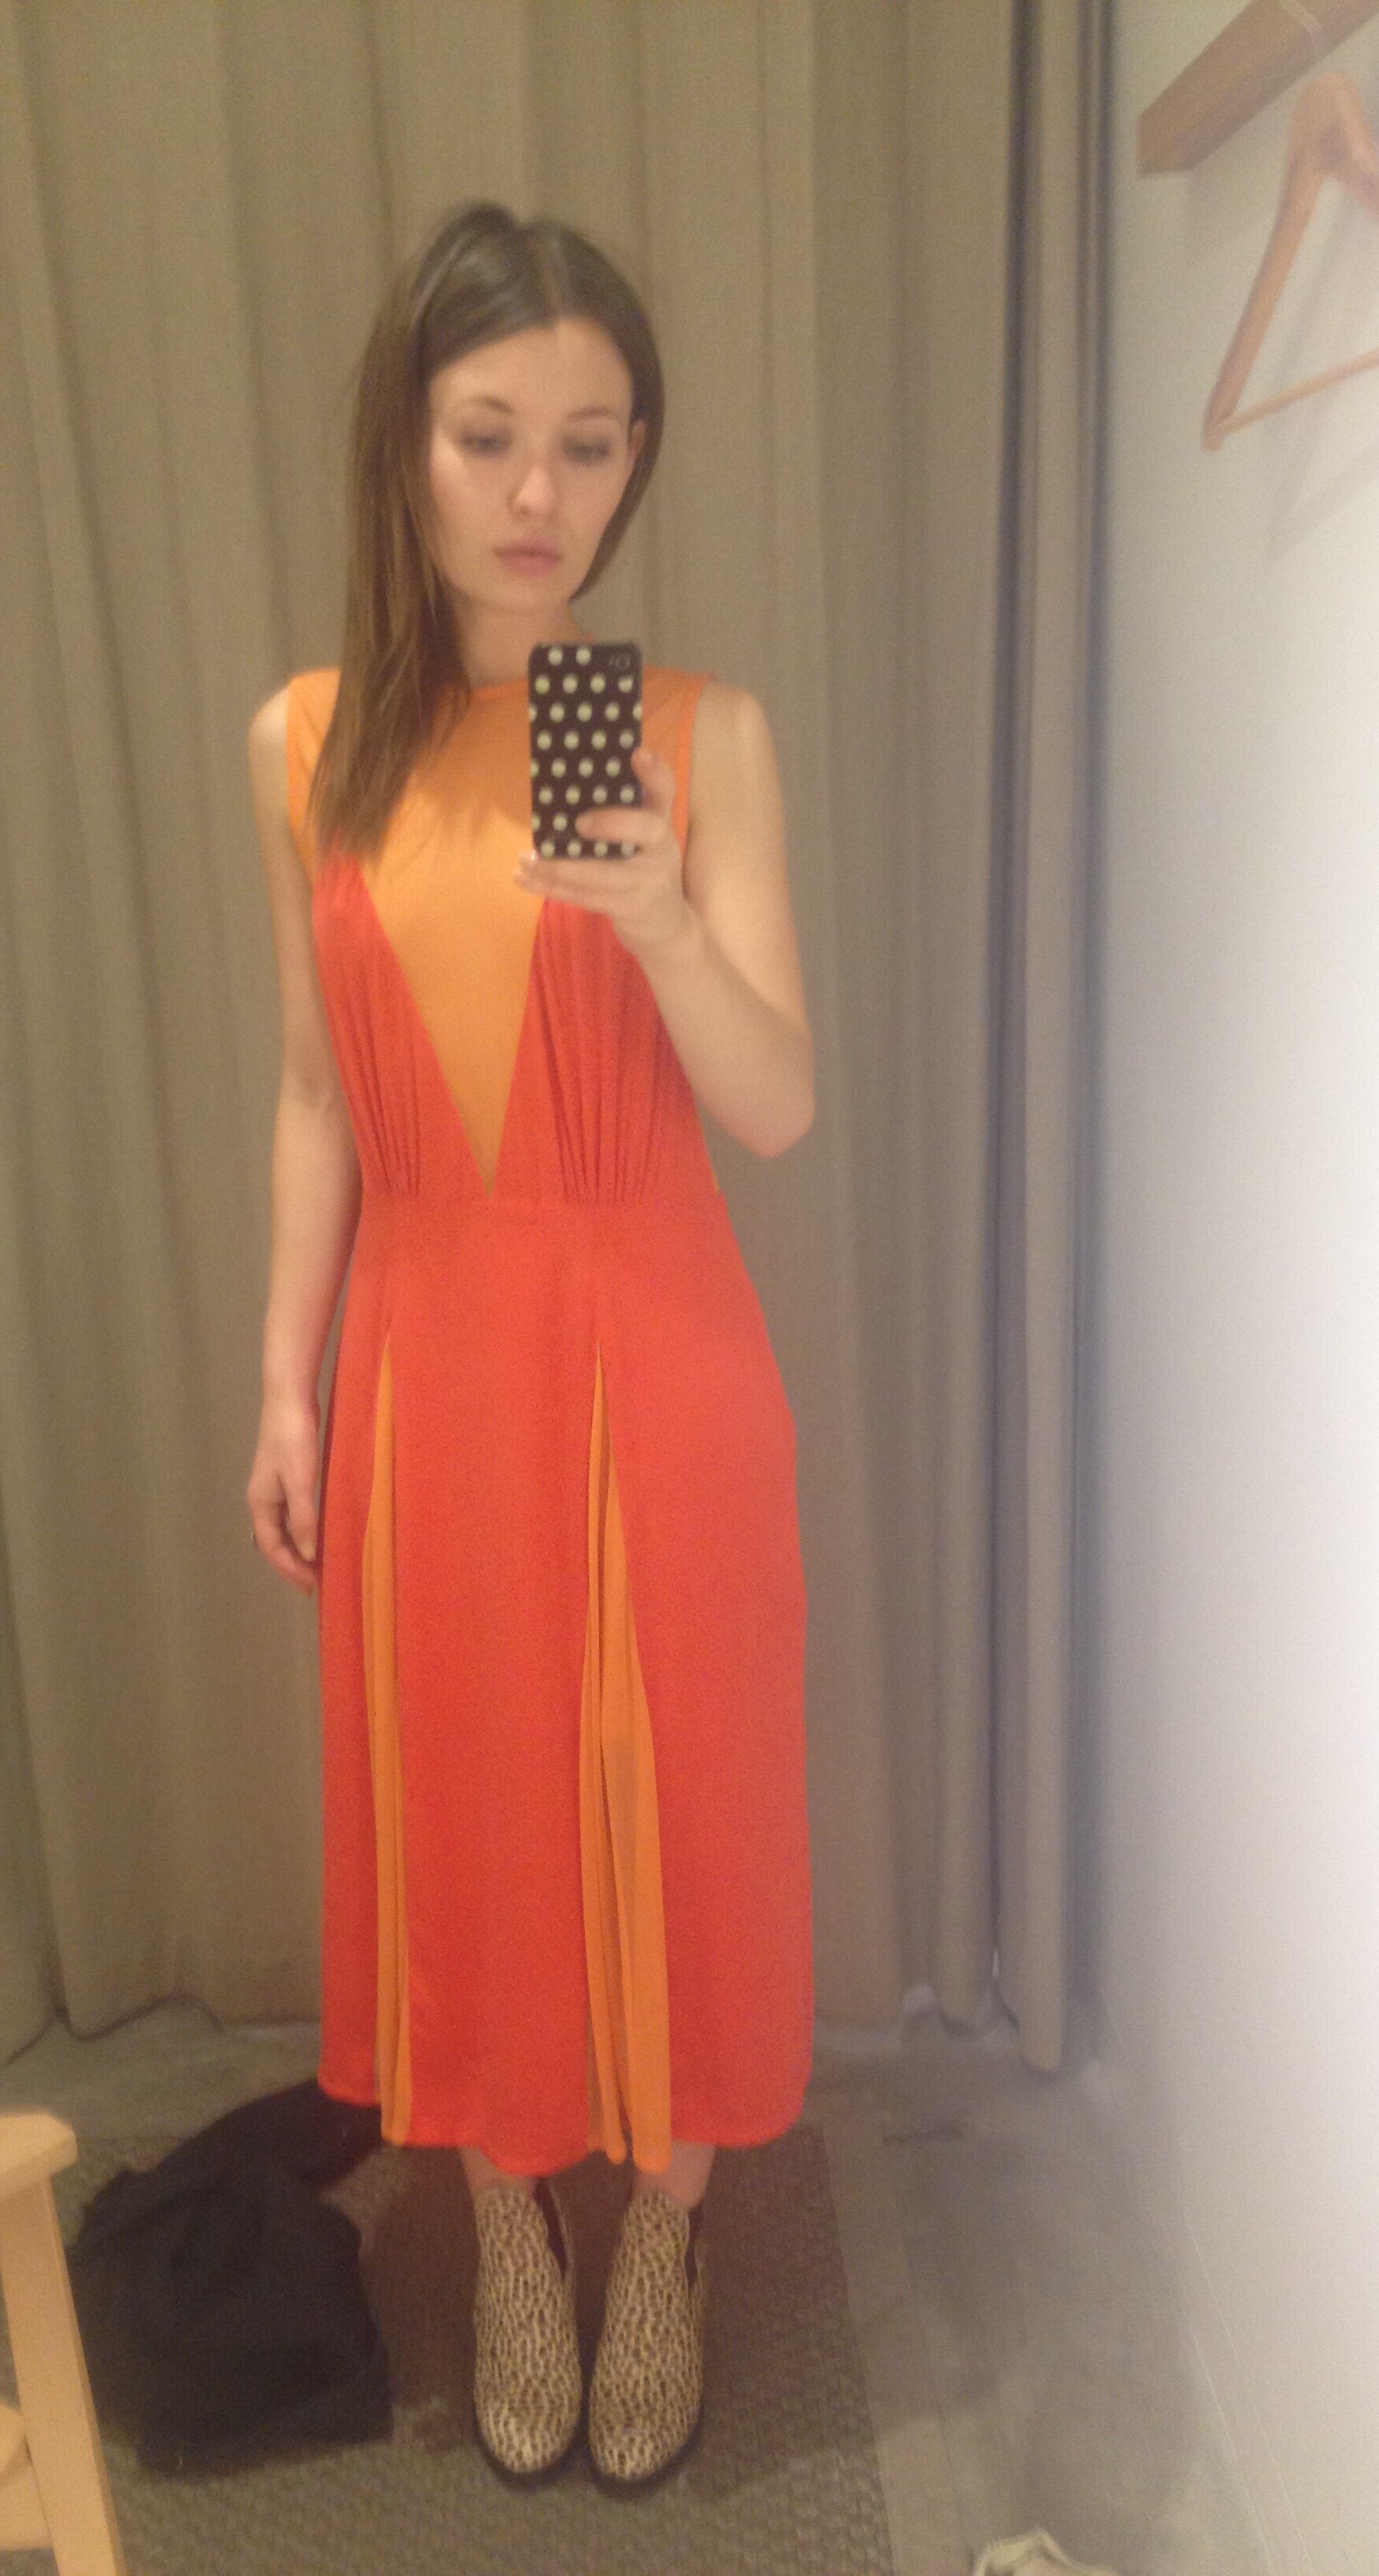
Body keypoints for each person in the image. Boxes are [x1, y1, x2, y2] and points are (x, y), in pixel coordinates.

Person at [245, 200, 814, 2493]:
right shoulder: (308, 742)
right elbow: (314, 1097)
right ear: (406, 440)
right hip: (427, 1365)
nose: (537, 492)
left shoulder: (696, 734)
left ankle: (663, 2227)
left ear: (635, 458)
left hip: (657, 1347)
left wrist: (665, 919)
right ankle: (507, 2218)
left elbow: (776, 1105)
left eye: (591, 442)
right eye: (489, 434)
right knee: (471, 1798)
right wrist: (280, 1381)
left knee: (674, 1791)